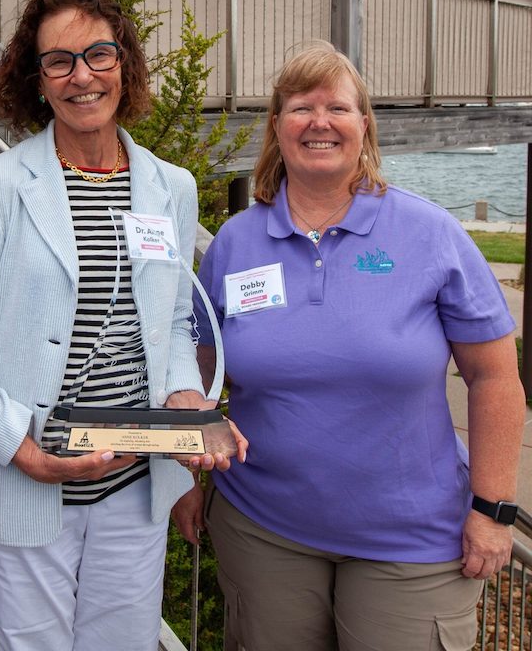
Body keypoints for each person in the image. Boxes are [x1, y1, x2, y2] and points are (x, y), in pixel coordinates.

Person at [0, 0, 247, 651]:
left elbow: (171, 324)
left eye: (98, 54)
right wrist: (22, 448)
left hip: (135, 485)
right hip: (24, 486)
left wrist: (185, 395)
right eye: (58, 62)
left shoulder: (170, 188)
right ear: (37, 82)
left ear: (123, 63)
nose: (82, 76)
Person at [173, 41, 526, 650]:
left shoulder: (430, 234)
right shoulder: (236, 243)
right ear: (277, 127)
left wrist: (493, 511)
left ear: (364, 124)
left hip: (411, 542)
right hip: (264, 529)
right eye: (300, 107)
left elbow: (495, 379)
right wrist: (185, 476)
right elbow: (196, 375)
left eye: (337, 107)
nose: (319, 122)